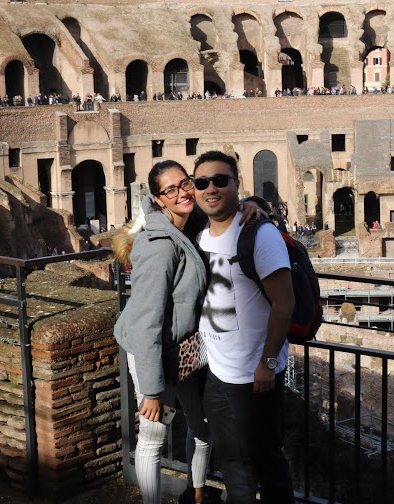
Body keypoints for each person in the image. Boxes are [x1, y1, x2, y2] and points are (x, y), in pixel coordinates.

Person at [113, 160, 265, 504]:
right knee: (153, 435)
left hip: (186, 350)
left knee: (202, 427)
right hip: (153, 352)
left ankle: (196, 494)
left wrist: (251, 206)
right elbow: (146, 323)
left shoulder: (190, 222)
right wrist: (152, 391)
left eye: (185, 183)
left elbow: (220, 208)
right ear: (158, 199)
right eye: (170, 189)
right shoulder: (158, 246)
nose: (182, 192)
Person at [192, 150, 295, 504]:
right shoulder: (200, 234)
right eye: (202, 182)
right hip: (216, 371)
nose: (211, 188)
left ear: (236, 184)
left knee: (267, 461)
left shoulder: (259, 234)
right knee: (232, 459)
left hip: (254, 374)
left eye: (220, 180)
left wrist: (268, 362)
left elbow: (285, 303)